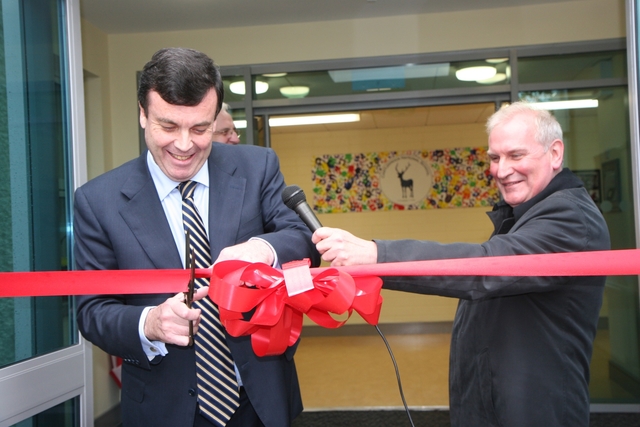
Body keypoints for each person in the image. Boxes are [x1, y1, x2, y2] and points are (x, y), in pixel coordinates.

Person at [313, 102, 610, 427]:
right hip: (494, 398)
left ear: (555, 154)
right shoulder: (524, 212)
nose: (501, 170)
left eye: (516, 155)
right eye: (495, 158)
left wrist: (376, 255)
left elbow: (485, 268)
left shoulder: (569, 219)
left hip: (535, 409)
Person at [75, 47, 319, 427]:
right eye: (168, 127)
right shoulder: (97, 201)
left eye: (201, 128)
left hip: (261, 401)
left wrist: (262, 248)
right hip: (162, 407)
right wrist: (150, 323)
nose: (185, 145)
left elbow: (302, 237)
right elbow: (92, 312)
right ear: (143, 114)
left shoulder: (257, 167)